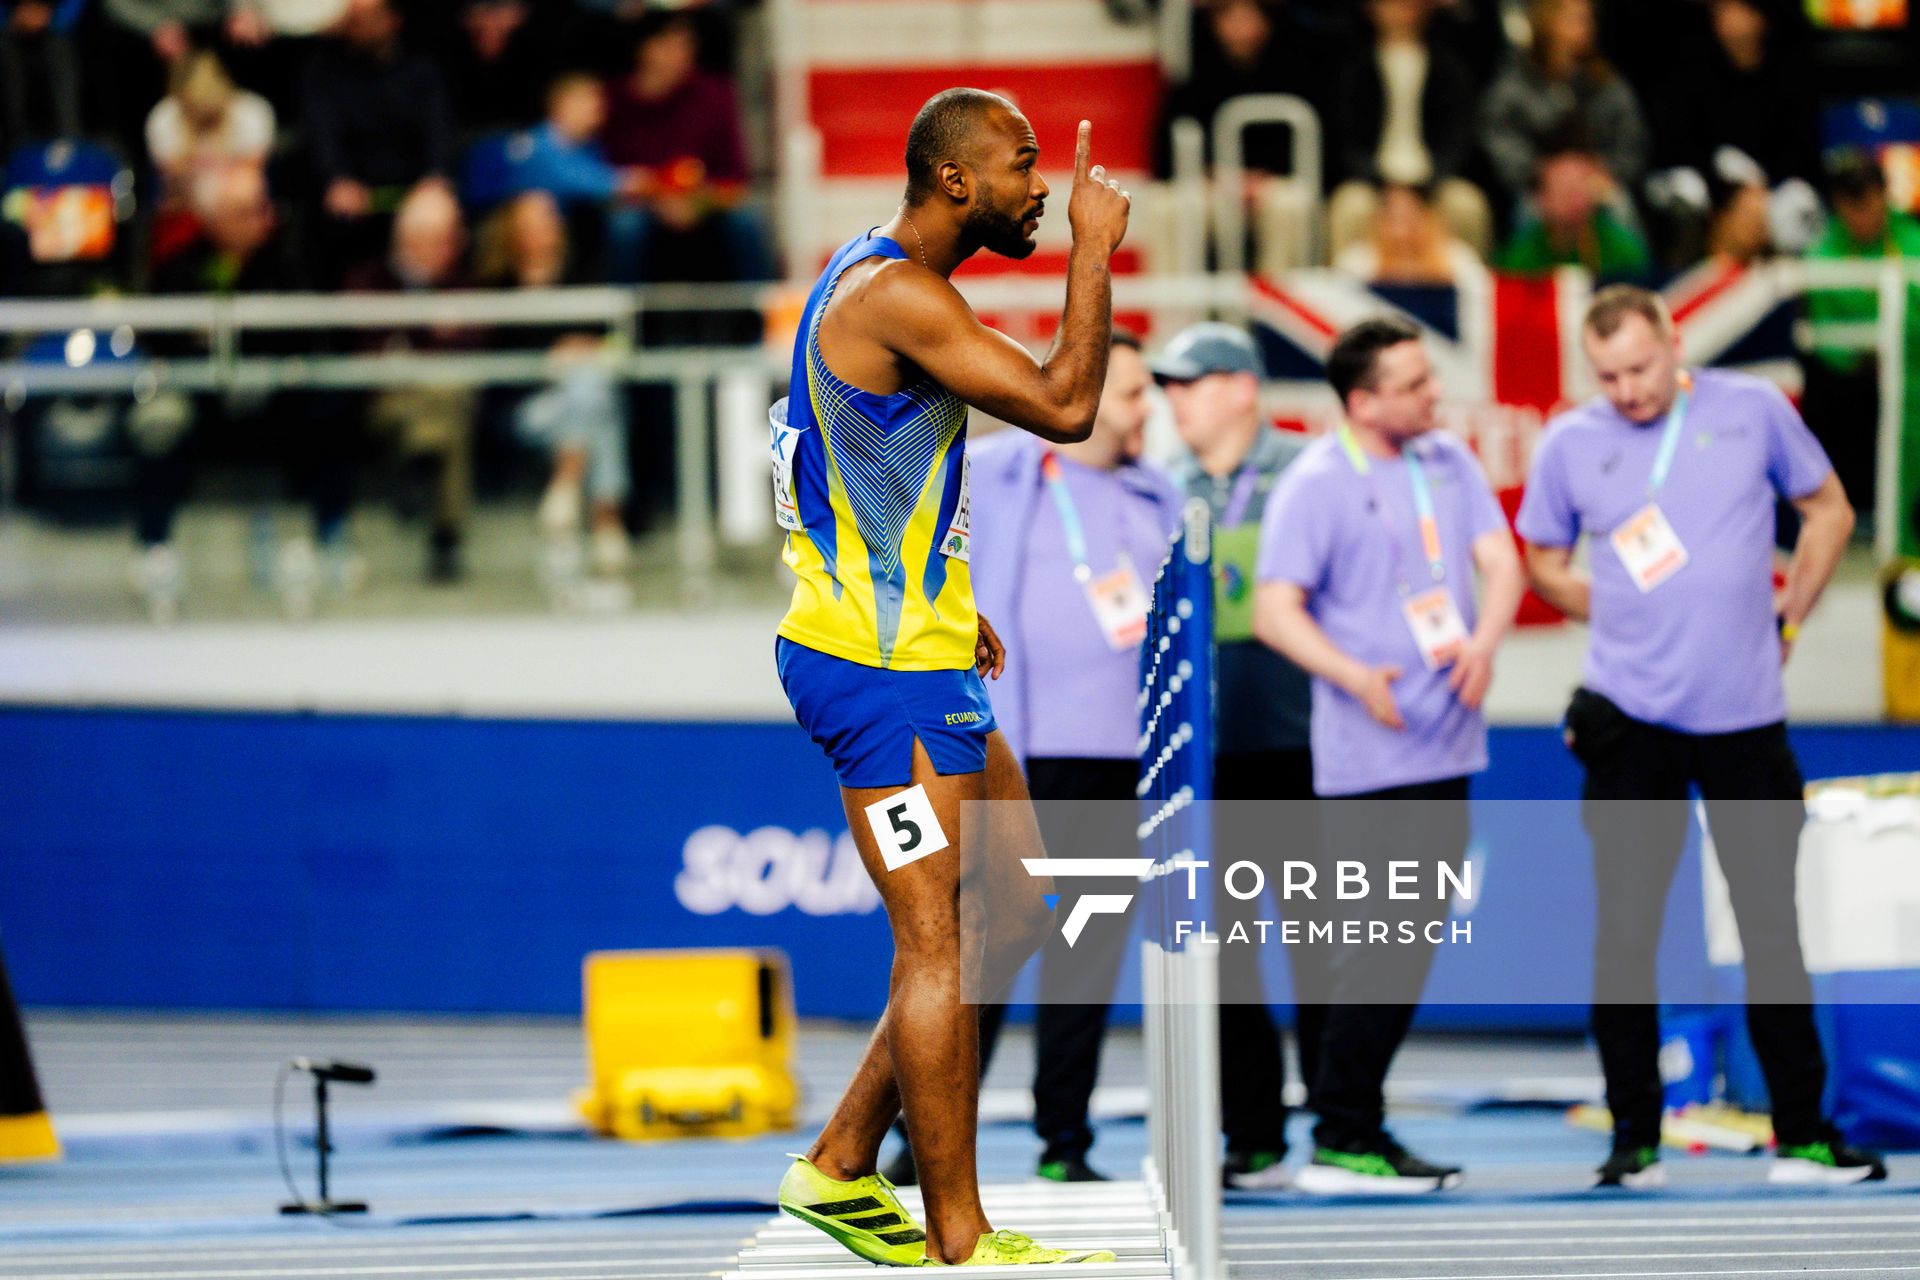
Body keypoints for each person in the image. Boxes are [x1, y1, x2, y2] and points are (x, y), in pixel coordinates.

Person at [770, 89, 1131, 1267]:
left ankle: (835, 1165)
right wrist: (1089, 246)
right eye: (1025, 166)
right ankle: (959, 1239)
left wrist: (935, 589)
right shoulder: (902, 296)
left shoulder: (867, 276)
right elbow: (1070, 405)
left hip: (915, 643)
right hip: (879, 672)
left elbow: (835, 454)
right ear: (957, 183)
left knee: (1017, 904)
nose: (1041, 183)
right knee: (937, 942)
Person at [1515, 284, 1883, 1190]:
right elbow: (1542, 558)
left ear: (1675, 344)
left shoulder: (1752, 409)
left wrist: (1797, 606)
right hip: (1630, 721)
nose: (1629, 390)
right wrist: (1611, 609)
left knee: (1772, 930)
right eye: (1608, 376)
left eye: (1641, 368)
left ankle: (1802, 1132)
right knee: (1626, 936)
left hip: (1744, 721)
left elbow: (1828, 508)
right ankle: (1633, 1138)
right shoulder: (1572, 440)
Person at [887, 331, 1180, 1188]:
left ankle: (1066, 1142)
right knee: (984, 949)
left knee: (1085, 957)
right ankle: (923, 1143)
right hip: (1010, 761)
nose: (1140, 412)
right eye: (1126, 394)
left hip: (1117, 765)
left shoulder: (1159, 496)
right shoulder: (997, 472)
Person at [1254, 316, 1523, 1193]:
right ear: (1363, 400)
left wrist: (1483, 638)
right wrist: (1351, 675)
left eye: (1427, 379)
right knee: (1372, 947)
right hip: (1366, 758)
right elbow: (1274, 609)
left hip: (1449, 745)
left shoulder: (1449, 460)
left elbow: (1499, 558)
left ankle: (1350, 1127)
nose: (1431, 396)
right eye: (1411, 385)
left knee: (1409, 947)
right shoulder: (1317, 483)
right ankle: (1342, 1134)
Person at [1153, 320, 1321, 1190]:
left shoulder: (1308, 476)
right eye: (1170, 387)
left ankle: (1341, 1127)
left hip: (1306, 749)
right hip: (1206, 763)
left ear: (1244, 388)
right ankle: (1252, 1134)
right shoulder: (1165, 490)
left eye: (1192, 382)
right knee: (1225, 956)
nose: (1174, 400)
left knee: (1321, 941)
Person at [600, 11, 767, 282]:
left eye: (687, 43)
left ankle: (762, 319)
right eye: (670, 43)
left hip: (704, 200)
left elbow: (735, 178)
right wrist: (655, 197)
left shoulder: (715, 95)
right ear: (645, 48)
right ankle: (623, 321)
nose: (682, 52)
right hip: (642, 203)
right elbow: (606, 176)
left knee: (746, 221)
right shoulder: (613, 100)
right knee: (625, 226)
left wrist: (698, 201)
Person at [302, 0, 456, 280]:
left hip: (414, 193)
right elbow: (322, 139)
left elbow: (438, 136)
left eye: (368, 18)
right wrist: (336, 179)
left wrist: (433, 181)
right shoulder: (323, 73)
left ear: (393, 20)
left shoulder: (422, 72)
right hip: (353, 200)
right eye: (354, 19)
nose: (359, 28)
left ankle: (432, 310)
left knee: (434, 216)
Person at [1327, 0, 1492, 261]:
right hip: (1373, 181)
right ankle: (1342, 299)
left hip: (1433, 180)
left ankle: (1470, 297)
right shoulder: (1355, 66)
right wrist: (1386, 186)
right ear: (1372, 9)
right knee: (1350, 207)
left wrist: (1423, 187)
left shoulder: (1447, 66)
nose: (1401, 10)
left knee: (1467, 205)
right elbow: (1346, 141)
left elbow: (1458, 140)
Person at [1803, 155, 1920, 518]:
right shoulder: (1820, 254)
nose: (1861, 214)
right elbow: (1826, 338)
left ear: (1884, 195)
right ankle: (1855, 513)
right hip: (1854, 380)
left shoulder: (1913, 241)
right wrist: (1867, 358)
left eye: (1867, 200)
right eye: (1850, 204)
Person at [1479, 0, 1648, 212]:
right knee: (1531, 209)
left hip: (1600, 183)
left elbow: (1631, 142)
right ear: (1547, 22)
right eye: (1575, 19)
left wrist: (1602, 170)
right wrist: (1540, 173)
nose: (1585, 27)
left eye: (1588, 19)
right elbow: (1500, 138)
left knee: (1620, 206)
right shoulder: (1515, 83)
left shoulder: (1605, 82)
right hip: (1536, 187)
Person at [1497, 141, 1651, 283]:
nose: (1576, 202)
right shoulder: (1517, 255)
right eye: (1565, 193)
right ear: (1541, 199)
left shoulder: (1624, 250)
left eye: (1581, 191)